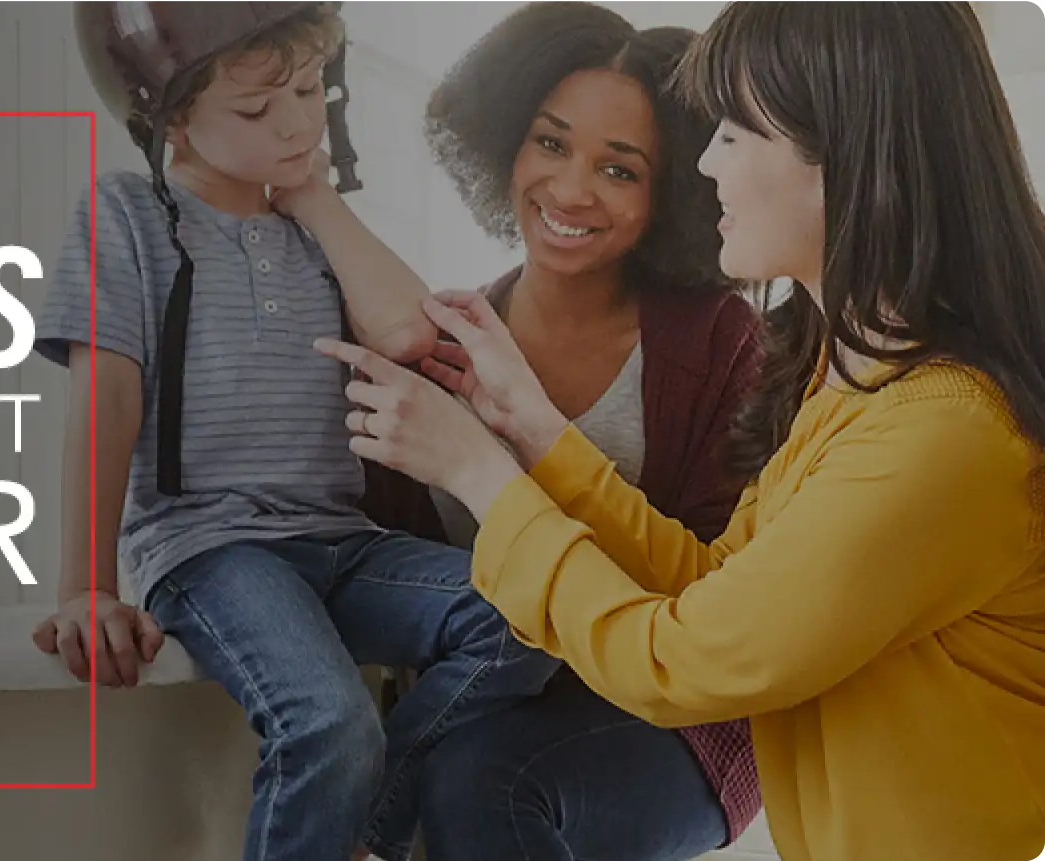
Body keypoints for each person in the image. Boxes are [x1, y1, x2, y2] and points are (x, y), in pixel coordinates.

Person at [316, 0, 1045, 858]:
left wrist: (486, 475)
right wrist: (537, 429)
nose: (705, 162)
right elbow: (713, 584)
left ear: (842, 150)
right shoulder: (854, 384)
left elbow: (683, 658)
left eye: (735, 133)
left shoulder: (943, 435)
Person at [29, 2, 560, 859]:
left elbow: (407, 332)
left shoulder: (316, 234)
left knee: (528, 613)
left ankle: (367, 836)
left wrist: (313, 194)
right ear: (171, 121)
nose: (298, 120)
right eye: (255, 109)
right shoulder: (125, 217)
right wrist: (85, 588)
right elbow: (107, 403)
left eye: (311, 89)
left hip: (341, 544)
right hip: (215, 549)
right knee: (329, 721)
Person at [298, 2, 771, 858]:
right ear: (507, 140)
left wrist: (503, 459)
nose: (570, 189)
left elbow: (718, 603)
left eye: (619, 170)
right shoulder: (436, 346)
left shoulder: (720, 344)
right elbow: (373, 561)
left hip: (670, 717)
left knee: (482, 779)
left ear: (669, 196)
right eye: (550, 144)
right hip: (484, 716)